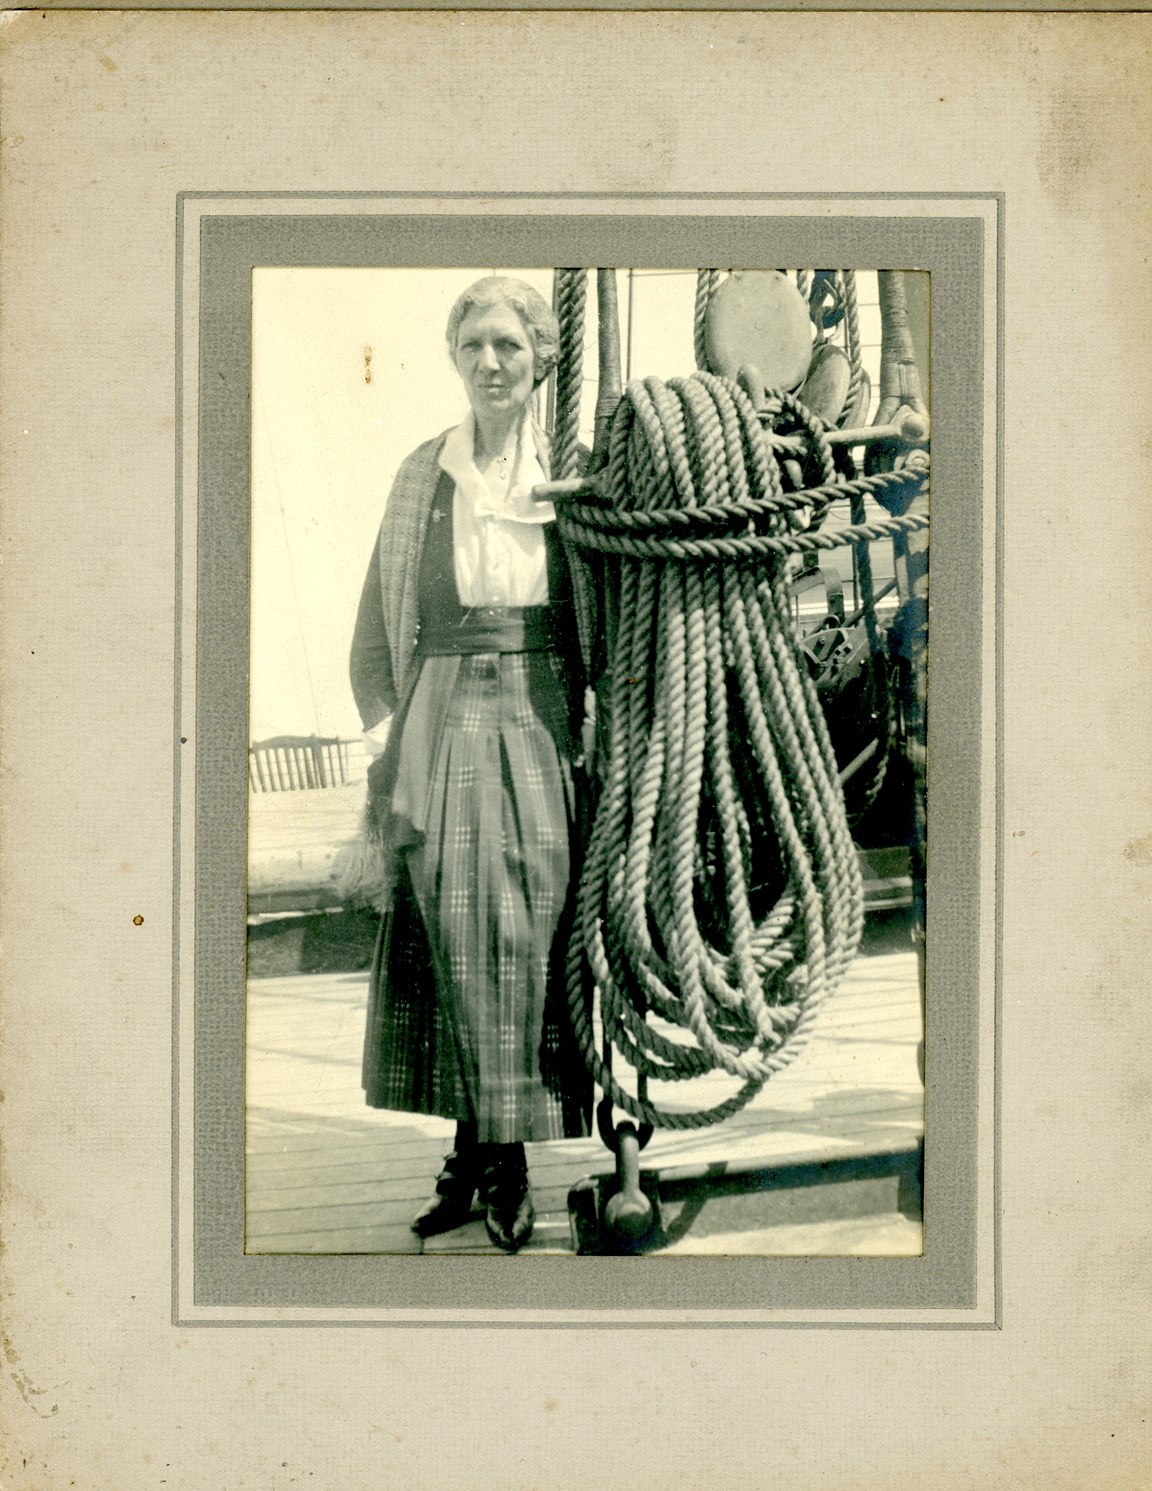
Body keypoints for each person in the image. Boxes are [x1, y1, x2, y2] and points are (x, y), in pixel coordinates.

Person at [348, 275, 591, 1253]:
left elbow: (606, 616)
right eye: (474, 346)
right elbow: (378, 624)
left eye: (510, 346)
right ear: (455, 358)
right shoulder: (424, 474)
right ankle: (477, 1161)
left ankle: (502, 1161)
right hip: (440, 715)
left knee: (524, 926)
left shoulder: (573, 473)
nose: (491, 364)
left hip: (539, 712)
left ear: (541, 360)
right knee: (445, 933)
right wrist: (389, 738)